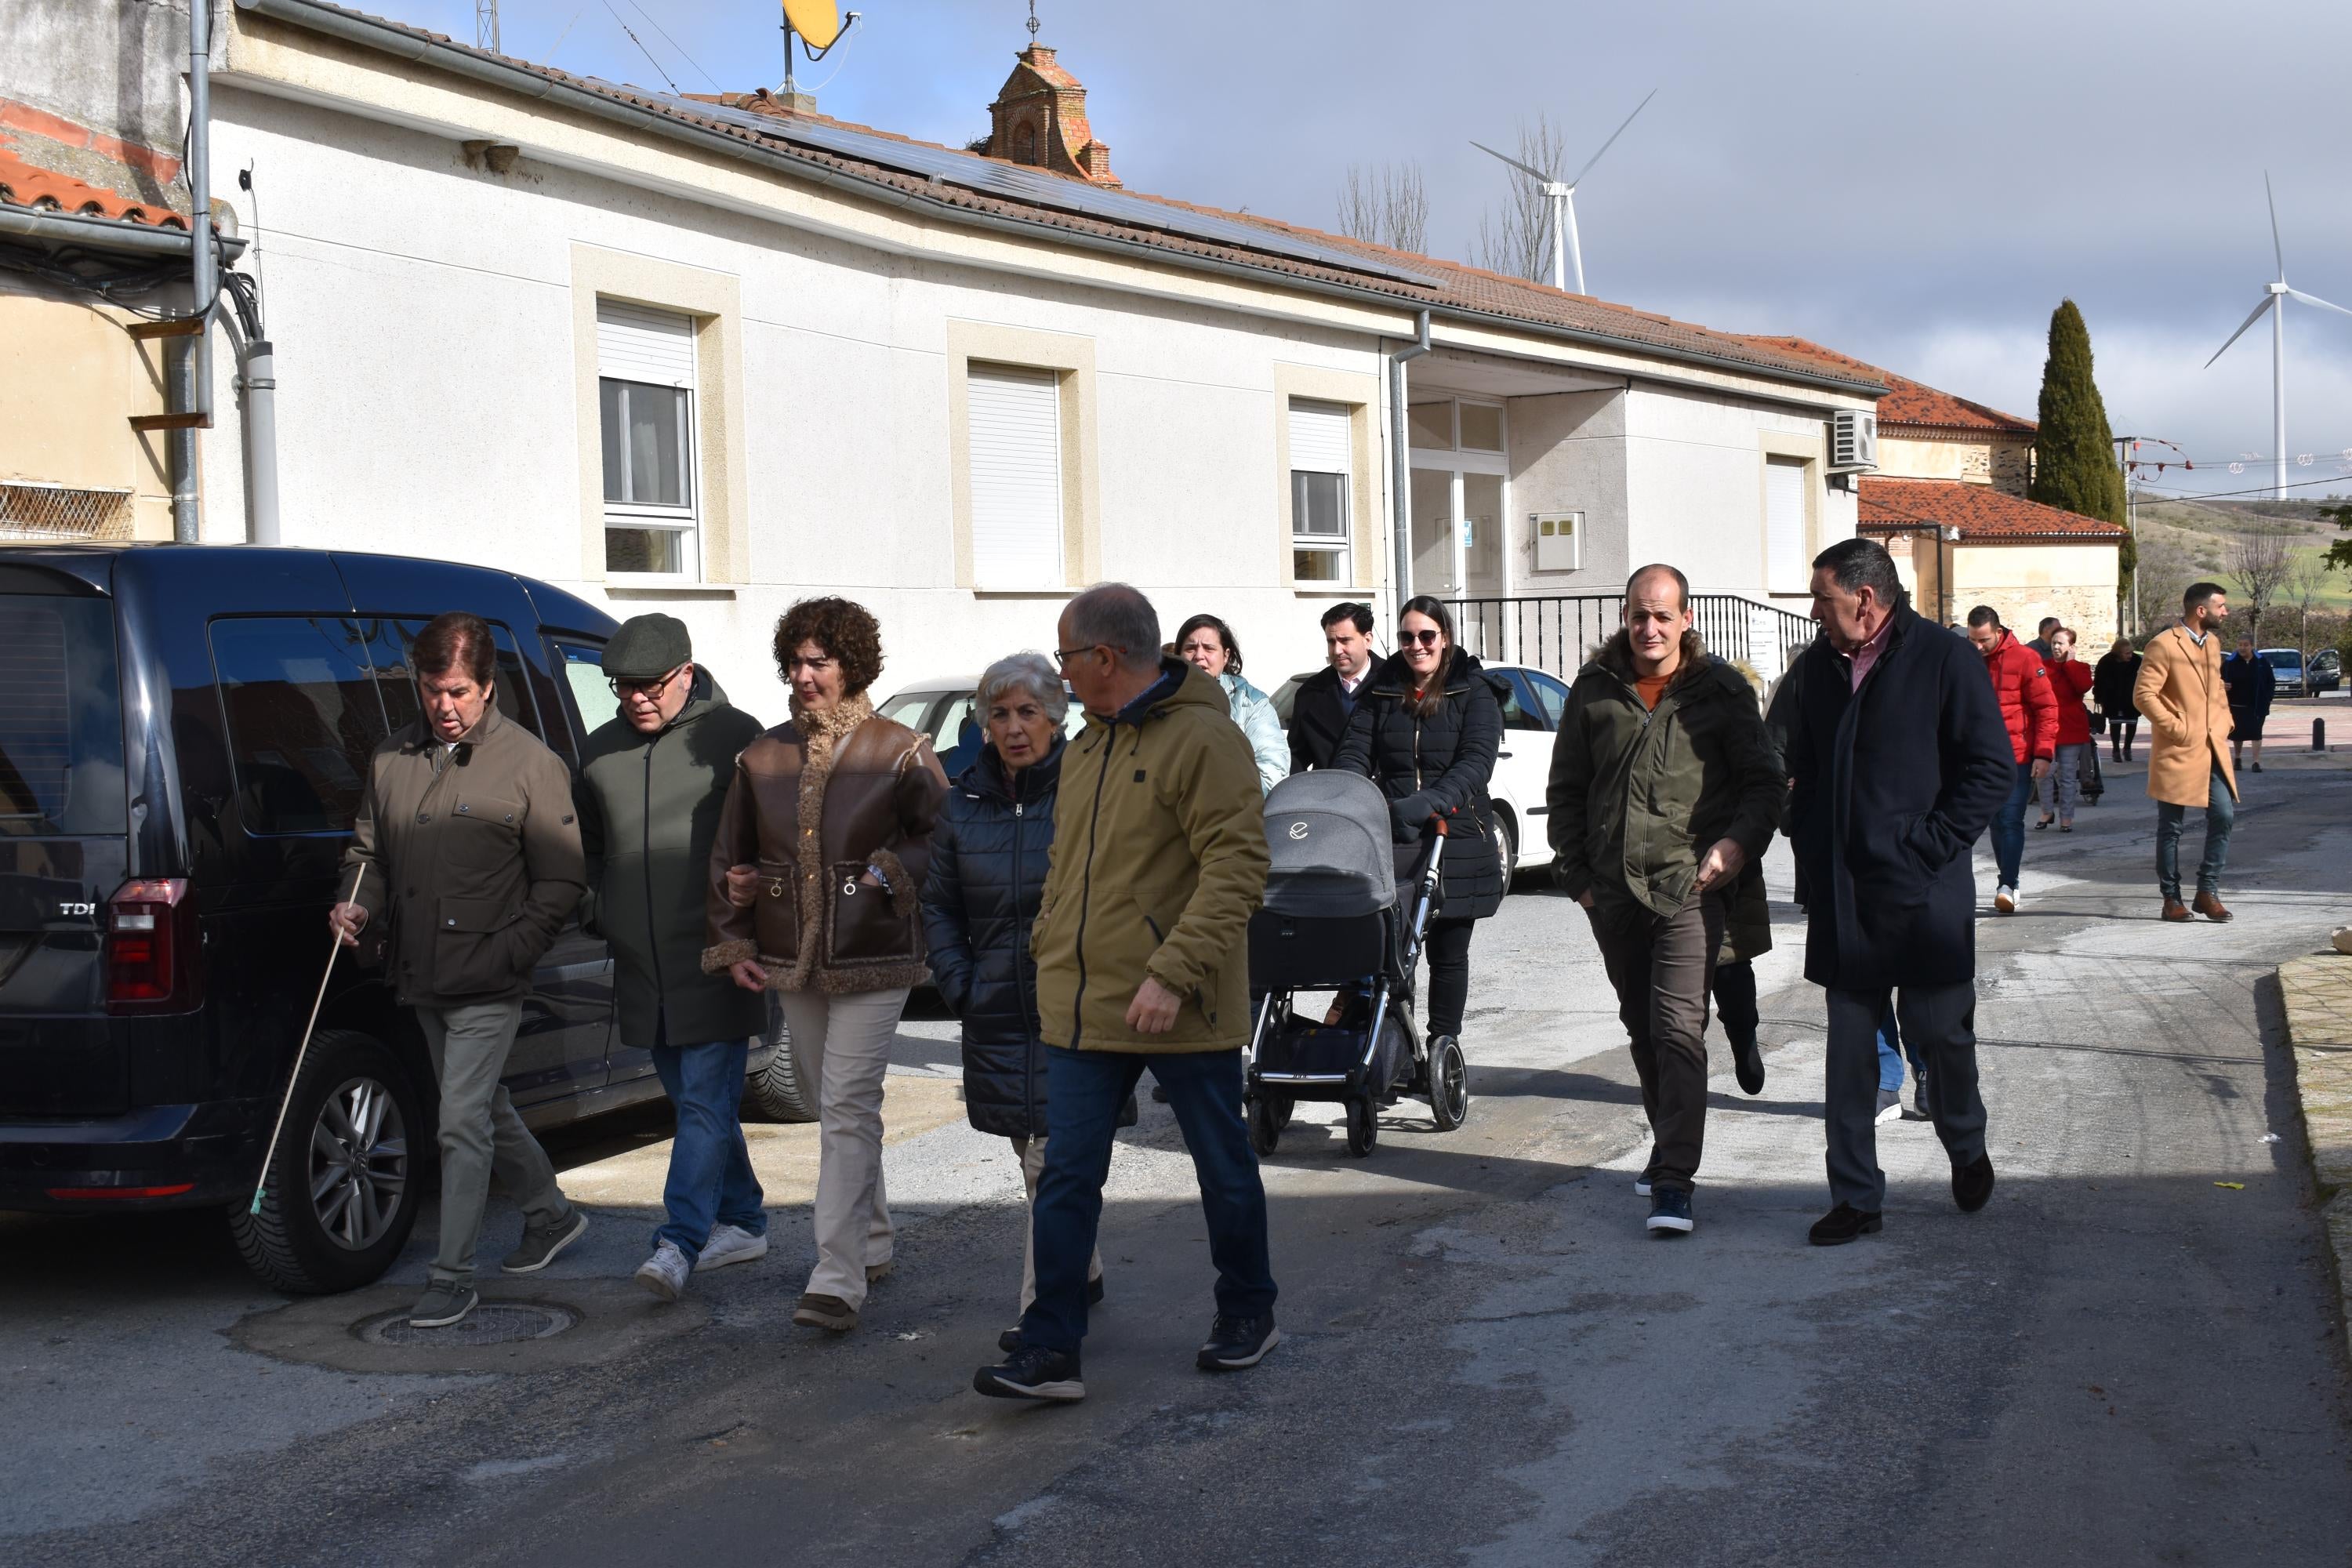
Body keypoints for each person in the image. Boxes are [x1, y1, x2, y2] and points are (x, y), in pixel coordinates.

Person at [972, 583, 1272, 1404]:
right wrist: (1047, 951)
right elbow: (1070, 863)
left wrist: (1173, 972)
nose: (1060, 672)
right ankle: (1051, 1344)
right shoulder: (1091, 743)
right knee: (1066, 1173)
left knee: (1221, 1162)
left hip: (1179, 1000)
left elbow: (1238, 868)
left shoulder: (1205, 739)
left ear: (1103, 657)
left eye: (1065, 655)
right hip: (1084, 1001)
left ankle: (1249, 1307)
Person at [328, 612, 590, 1330]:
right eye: (433, 690)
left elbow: (562, 882)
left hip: (490, 976)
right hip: (419, 972)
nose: (446, 707)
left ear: (487, 687)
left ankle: (453, 1277)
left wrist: (513, 952)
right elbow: (368, 855)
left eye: (460, 693)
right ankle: (551, 1214)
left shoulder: (532, 764)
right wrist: (353, 905)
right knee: (481, 1108)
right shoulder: (392, 758)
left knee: (460, 1122)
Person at [703, 597, 948, 1334]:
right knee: (828, 1100)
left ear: (853, 667)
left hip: (878, 951)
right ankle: (871, 1238)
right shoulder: (762, 756)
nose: (804, 677)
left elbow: (942, 836)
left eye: (820, 662)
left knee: (845, 1107)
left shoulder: (900, 749)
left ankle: (836, 1277)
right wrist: (734, 938)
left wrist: (887, 872)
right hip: (791, 955)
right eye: (795, 663)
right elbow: (730, 856)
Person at [1784, 540, 2013, 1246]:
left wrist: (1931, 844)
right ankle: (1856, 1198)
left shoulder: (1944, 660)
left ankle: (1966, 1145)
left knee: (1942, 1038)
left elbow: (1991, 768)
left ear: (1864, 599)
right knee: (1850, 1058)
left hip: (1922, 895)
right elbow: (1786, 758)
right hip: (1844, 895)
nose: (1814, 612)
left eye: (1822, 598)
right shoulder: (1816, 666)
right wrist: (1802, 827)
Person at [1547, 565, 1782, 1238]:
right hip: (1612, 893)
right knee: (1642, 1028)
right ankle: (1666, 1142)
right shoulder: (1595, 693)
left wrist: (1736, 846)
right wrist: (1578, 877)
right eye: (1637, 615)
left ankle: (1675, 1180)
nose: (1649, 628)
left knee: (1679, 1028)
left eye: (1661, 616)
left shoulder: (1721, 692)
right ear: (1625, 618)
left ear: (1686, 620)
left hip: (1689, 885)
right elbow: (1566, 791)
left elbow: (1764, 784)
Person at [920, 652, 1122, 1346]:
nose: (1013, 728)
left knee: (1054, 1159)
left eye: (1027, 712)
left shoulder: (1090, 789)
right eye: (999, 714)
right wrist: (959, 983)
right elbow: (938, 905)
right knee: (1030, 1152)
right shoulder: (962, 802)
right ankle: (1081, 1269)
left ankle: (1044, 1314)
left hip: (1077, 1005)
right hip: (997, 1008)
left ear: (1056, 718)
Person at [572, 615, 770, 1303]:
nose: (636, 699)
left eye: (650, 685)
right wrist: (599, 909)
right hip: (642, 966)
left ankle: (679, 1240)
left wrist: (754, 913)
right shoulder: (597, 754)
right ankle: (743, 1220)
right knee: (695, 1102)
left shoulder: (738, 738)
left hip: (719, 956)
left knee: (707, 1103)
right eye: (622, 687)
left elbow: (770, 839)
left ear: (687, 671)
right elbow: (589, 849)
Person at [1333, 595, 1507, 1058]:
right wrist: (1351, 797)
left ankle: (1443, 1041)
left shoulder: (1474, 691)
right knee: (1388, 950)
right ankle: (1392, 1039)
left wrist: (1427, 802)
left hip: (1456, 835)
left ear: (1444, 639)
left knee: (1448, 953)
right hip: (1394, 834)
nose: (1416, 646)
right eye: (1408, 637)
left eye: (1426, 636)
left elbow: (1475, 763)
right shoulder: (1384, 690)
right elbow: (1354, 751)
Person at [2135, 583, 2239, 924]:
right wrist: (2179, 728)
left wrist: (2225, 721)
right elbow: (2144, 695)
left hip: (2213, 749)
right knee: (2172, 828)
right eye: (2220, 606)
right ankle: (2171, 898)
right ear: (2201, 611)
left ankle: (2207, 892)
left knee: (2223, 814)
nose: (2225, 611)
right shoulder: (2163, 645)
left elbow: (2216, 690)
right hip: (2178, 750)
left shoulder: (2213, 643)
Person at [1965, 605, 2056, 913]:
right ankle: (2006, 880)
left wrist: (2043, 754)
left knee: (2011, 819)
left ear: (1999, 633)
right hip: (1980, 758)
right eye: (1973, 640)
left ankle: (2009, 884)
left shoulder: (2027, 659)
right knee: (1995, 821)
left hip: (2018, 756)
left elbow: (2046, 708)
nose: (1978, 647)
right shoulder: (1967, 658)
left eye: (1984, 640)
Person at [1174, 613, 1288, 793]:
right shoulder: (1160, 703)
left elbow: (1271, 773)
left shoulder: (1252, 704)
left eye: (1209, 648)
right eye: (1190, 648)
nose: (1199, 656)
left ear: (1225, 656)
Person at [1288, 601, 1378, 773]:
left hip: (1383, 795)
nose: (1337, 650)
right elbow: (1296, 758)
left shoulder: (1395, 684)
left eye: (1345, 641)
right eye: (1331, 641)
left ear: (1367, 640)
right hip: (1329, 795)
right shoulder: (1309, 693)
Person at [2038, 627, 2096, 833]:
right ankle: (2046, 811)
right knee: (2043, 772)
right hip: (2047, 727)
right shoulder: (2043, 666)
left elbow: (2082, 687)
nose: (2055, 647)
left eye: (2060, 643)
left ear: (2071, 647)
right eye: (2054, 642)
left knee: (2068, 776)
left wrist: (2070, 663)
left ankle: (2066, 818)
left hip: (2071, 727)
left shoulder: (2080, 667)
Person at [2223, 636, 2275, 775]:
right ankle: (2238, 758)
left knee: (2256, 733)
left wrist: (2268, 697)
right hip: (2236, 705)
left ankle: (2256, 761)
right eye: (2240, 645)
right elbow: (2218, 679)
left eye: (2245, 645)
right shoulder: (2230, 662)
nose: (2242, 648)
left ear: (2252, 646)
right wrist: (2223, 686)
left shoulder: (2261, 662)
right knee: (2237, 734)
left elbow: (2271, 681)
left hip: (2257, 704)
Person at [2094, 637, 2143, 762]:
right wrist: (2099, 696)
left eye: (2131, 652)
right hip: (2112, 699)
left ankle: (2127, 748)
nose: (2130, 655)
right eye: (2127, 653)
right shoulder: (2106, 661)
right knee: (2115, 724)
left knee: (2132, 723)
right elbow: (2099, 680)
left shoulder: (2137, 661)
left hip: (2130, 699)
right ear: (2118, 653)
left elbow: (2144, 678)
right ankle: (2116, 749)